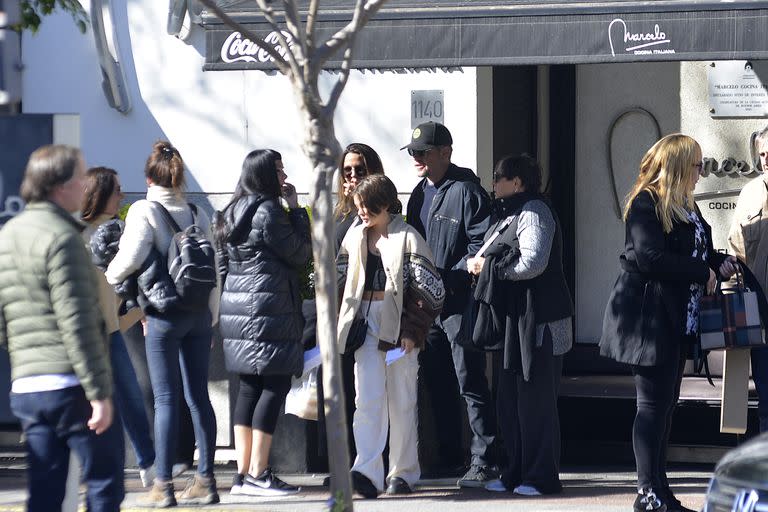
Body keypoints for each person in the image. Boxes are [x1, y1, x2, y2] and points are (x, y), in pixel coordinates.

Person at [599, 134, 737, 512]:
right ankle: (647, 492)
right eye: (697, 165)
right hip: (646, 317)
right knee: (651, 406)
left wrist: (717, 262)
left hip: (676, 318)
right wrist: (700, 269)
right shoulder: (646, 202)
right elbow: (649, 257)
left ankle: (660, 491)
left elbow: (695, 252)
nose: (701, 173)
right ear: (677, 165)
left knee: (666, 405)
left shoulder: (685, 205)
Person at [0, 145, 124, 511]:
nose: (87, 185)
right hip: (72, 386)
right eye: (81, 177)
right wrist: (99, 392)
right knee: (104, 482)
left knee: (44, 492)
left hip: (27, 386)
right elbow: (78, 322)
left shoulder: (8, 235)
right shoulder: (63, 239)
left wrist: (24, 357)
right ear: (60, 186)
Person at [105, 141, 219, 507]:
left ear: (148, 177)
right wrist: (211, 317)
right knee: (198, 397)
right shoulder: (197, 212)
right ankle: (206, 481)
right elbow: (214, 269)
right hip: (199, 315)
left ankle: (164, 486)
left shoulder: (144, 210)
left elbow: (131, 257)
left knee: (166, 398)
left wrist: (110, 274)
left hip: (163, 318)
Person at [467, 154, 573, 496]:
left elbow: (533, 263)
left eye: (499, 177)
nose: (493, 183)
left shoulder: (535, 212)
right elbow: (487, 252)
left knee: (536, 403)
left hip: (539, 323)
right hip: (515, 324)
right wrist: (480, 263)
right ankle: (514, 472)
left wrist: (491, 270)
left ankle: (540, 477)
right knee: (510, 402)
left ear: (518, 182)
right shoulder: (508, 214)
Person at [337, 174, 444, 498]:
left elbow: (430, 290)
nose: (361, 213)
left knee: (402, 401)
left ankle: (403, 473)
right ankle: (366, 471)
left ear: (384, 204)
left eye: (366, 207)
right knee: (366, 399)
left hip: (398, 327)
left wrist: (412, 332)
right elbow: (340, 279)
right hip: (365, 325)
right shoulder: (354, 237)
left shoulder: (408, 237)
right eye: (358, 207)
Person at [402, 121, 497, 486]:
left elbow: (481, 249)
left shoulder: (467, 192)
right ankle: (448, 457)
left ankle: (484, 459)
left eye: (423, 152)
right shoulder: (417, 194)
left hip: (458, 305)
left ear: (446, 152)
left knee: (469, 381)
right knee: (438, 381)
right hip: (427, 309)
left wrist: (449, 276)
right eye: (413, 152)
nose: (417, 158)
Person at [214, 149, 312, 496]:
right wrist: (297, 209)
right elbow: (301, 253)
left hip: (237, 311)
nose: (284, 177)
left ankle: (242, 475)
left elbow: (223, 269)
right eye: (280, 171)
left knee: (249, 388)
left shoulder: (229, 212)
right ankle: (258, 472)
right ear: (266, 175)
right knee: (274, 386)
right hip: (270, 308)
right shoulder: (269, 212)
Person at [81, 166, 157, 487]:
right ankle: (90, 468)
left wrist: (139, 313)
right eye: (117, 191)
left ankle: (148, 464)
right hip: (84, 334)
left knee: (131, 396)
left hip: (111, 330)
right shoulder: (76, 235)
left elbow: (127, 286)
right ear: (99, 194)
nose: (123, 196)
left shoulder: (121, 231)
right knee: (90, 403)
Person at [727, 125, 768, 433]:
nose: (766, 159)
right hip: (760, 315)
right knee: (766, 399)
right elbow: (736, 252)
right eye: (762, 154)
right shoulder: (750, 193)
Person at [334, 143, 386, 250]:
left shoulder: (384, 207)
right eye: (348, 170)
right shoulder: (341, 208)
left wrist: (358, 197)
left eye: (360, 170)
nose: (353, 175)